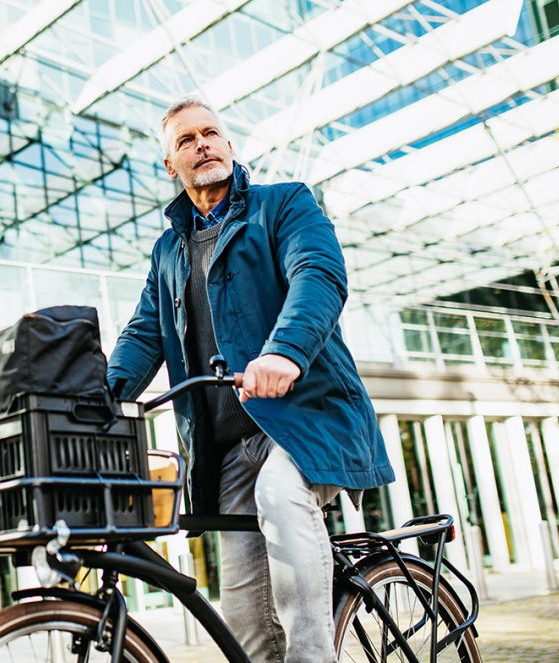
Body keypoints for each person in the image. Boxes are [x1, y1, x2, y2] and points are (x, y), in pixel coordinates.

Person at [107, 96, 395, 662]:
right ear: (172, 167)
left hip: (308, 418)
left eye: (210, 133)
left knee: (282, 494)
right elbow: (145, 334)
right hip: (229, 444)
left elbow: (318, 273)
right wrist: (104, 396)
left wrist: (285, 353)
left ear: (230, 145)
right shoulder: (169, 250)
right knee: (242, 610)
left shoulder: (284, 204)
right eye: (186, 141)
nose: (202, 145)